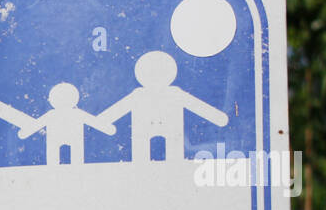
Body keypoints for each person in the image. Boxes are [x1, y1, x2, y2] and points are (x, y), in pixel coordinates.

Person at [97, 51, 228, 161]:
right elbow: (114, 112)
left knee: (171, 153)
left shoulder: (169, 93)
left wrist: (99, 122)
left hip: (169, 129)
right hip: (145, 130)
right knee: (143, 152)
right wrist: (219, 118)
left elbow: (199, 107)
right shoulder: (141, 95)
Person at [18, 82, 116, 165]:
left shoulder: (53, 114)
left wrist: (24, 132)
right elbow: (94, 122)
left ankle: (57, 170)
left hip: (58, 136)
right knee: (74, 156)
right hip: (71, 136)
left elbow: (37, 124)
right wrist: (108, 128)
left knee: (55, 157)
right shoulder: (75, 113)